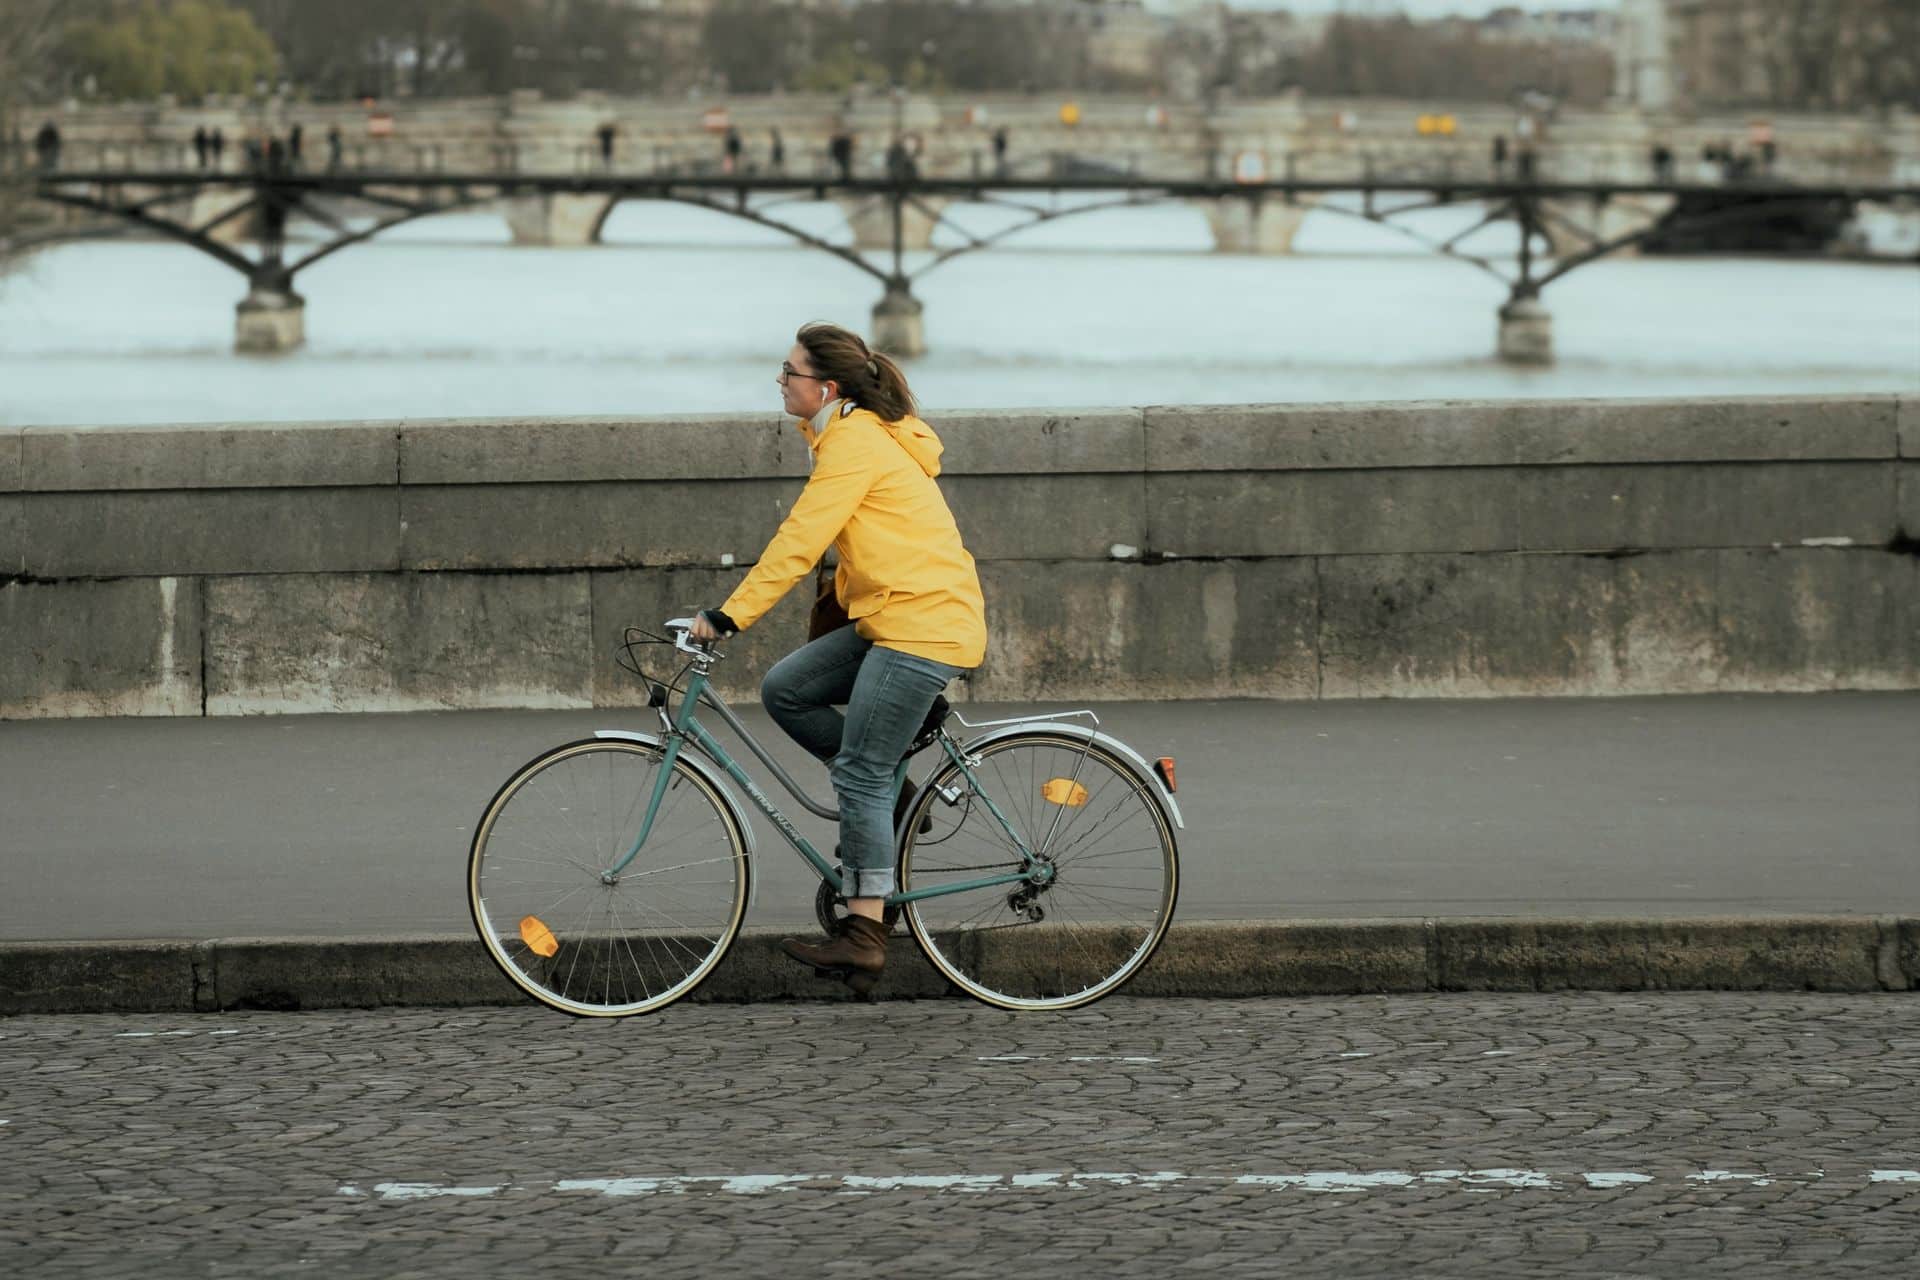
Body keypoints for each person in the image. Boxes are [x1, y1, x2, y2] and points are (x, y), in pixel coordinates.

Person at [688, 322, 987, 995]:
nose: (779, 379)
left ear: (825, 386)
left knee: (858, 769)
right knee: (786, 689)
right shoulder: (843, 432)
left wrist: (728, 615)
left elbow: (800, 542)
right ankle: (895, 799)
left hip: (922, 624)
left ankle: (864, 934)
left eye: (788, 372)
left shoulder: (852, 441)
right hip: (895, 613)